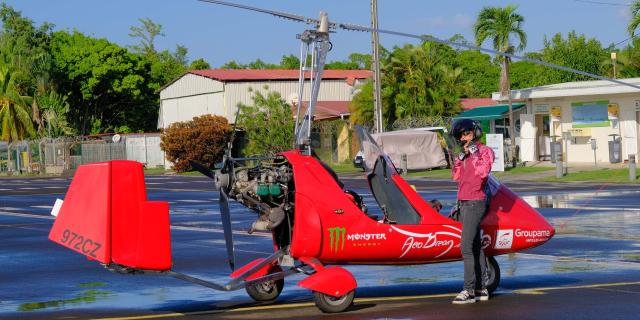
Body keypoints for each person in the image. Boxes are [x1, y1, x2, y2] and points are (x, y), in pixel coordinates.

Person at [450, 119, 495, 304]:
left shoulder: (485, 151)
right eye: (460, 135)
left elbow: (483, 173)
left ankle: (468, 290)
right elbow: (456, 176)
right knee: (475, 245)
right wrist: (460, 159)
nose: (463, 138)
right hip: (465, 202)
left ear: (475, 133)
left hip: (476, 202)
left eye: (466, 133)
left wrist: (475, 153)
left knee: (465, 246)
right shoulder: (465, 154)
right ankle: (481, 288)